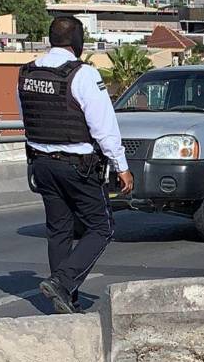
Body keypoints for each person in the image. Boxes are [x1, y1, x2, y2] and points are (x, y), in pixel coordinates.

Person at [19, 16, 133, 313]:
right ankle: (63, 283)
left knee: (59, 230)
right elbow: (103, 127)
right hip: (76, 166)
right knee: (102, 227)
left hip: (41, 164)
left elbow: (27, 117)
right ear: (77, 42)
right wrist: (121, 166)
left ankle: (65, 301)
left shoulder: (27, 73)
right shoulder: (83, 75)